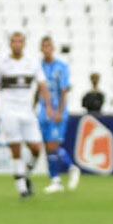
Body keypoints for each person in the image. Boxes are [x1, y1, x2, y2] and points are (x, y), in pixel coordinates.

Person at [0, 31, 51, 198]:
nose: (17, 44)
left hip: (27, 110)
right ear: (10, 44)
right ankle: (22, 188)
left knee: (36, 149)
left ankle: (25, 174)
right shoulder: (2, 64)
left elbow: (43, 85)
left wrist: (49, 106)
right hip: (8, 110)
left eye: (20, 41)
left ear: (24, 44)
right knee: (15, 148)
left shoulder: (32, 63)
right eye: (14, 41)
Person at [36, 37, 81, 194]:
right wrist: (33, 106)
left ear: (53, 48)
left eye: (49, 46)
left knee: (53, 146)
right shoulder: (39, 67)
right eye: (44, 46)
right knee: (48, 148)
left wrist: (60, 111)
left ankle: (72, 168)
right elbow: (38, 89)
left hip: (56, 111)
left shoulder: (61, 67)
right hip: (43, 112)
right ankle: (55, 181)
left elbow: (64, 90)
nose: (47, 48)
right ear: (41, 49)